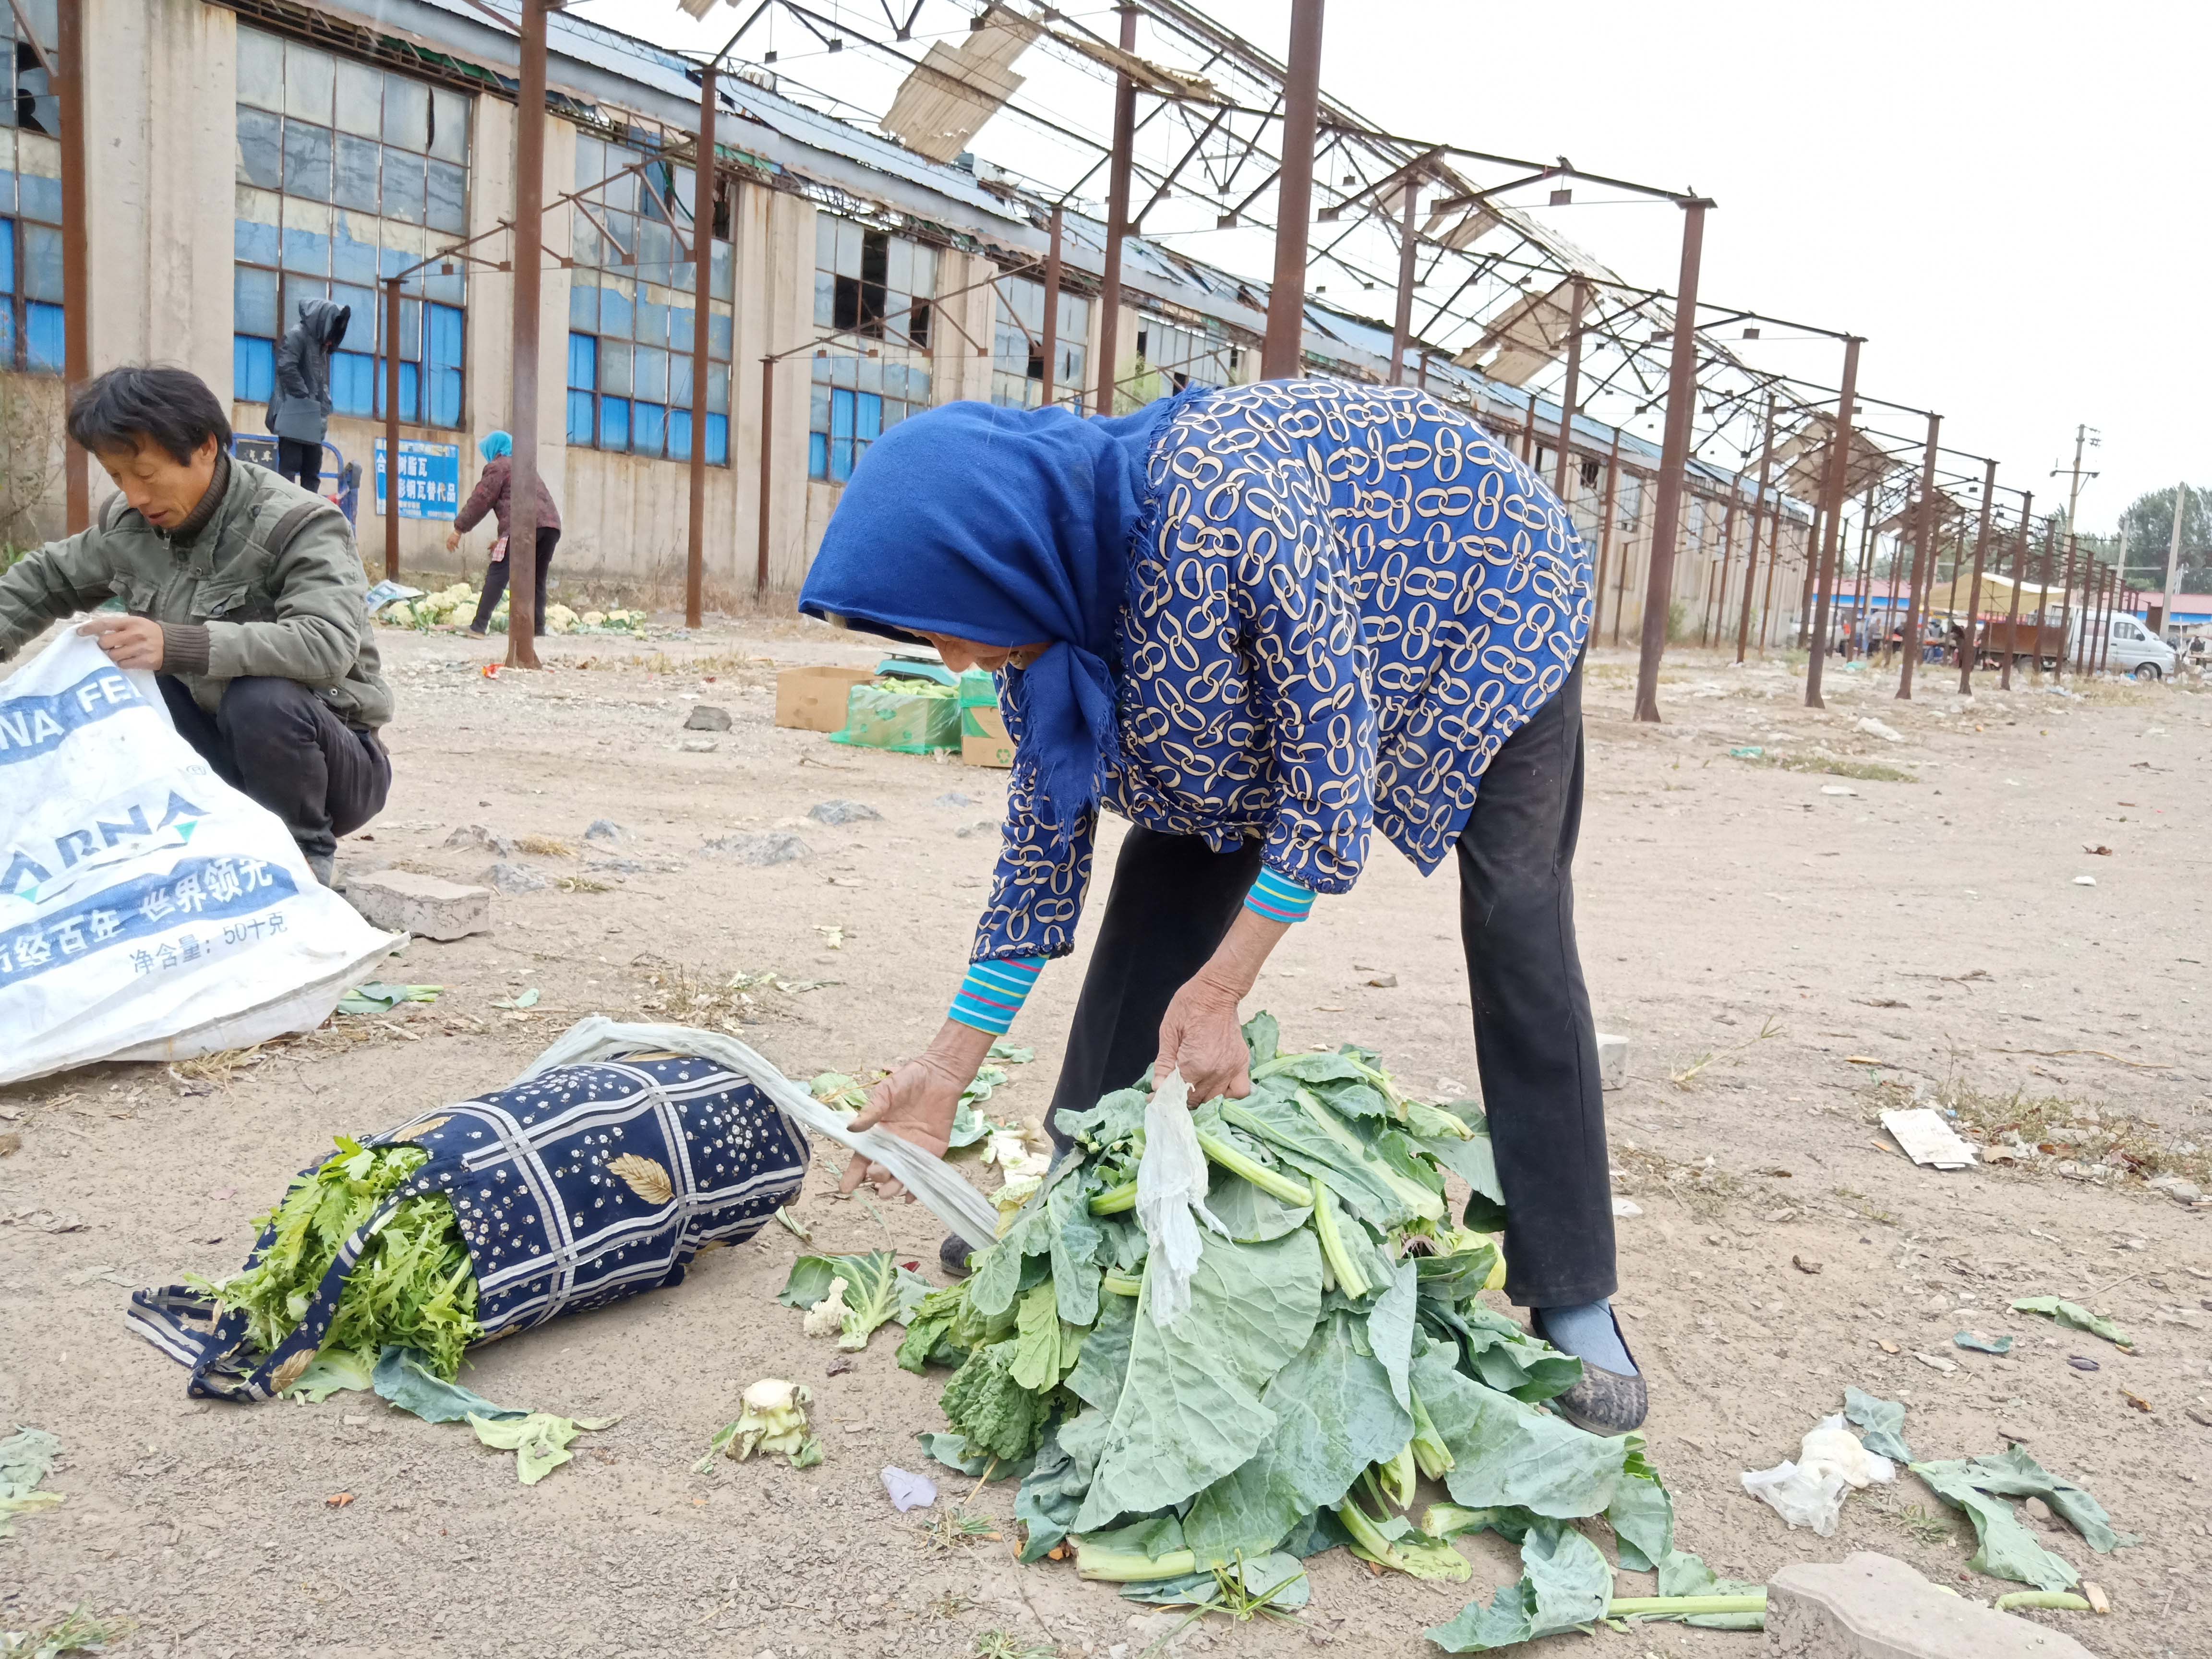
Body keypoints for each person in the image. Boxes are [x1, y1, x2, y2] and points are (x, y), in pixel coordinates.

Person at [797, 380, 1643, 1434]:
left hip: (1485, 593)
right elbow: (1037, 861)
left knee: (1517, 917)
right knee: (1173, 851)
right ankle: (1077, 1184)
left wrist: (1224, 987)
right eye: (935, 642)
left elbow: (1329, 779)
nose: (961, 661)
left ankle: (1573, 1290)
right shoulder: (1046, 604)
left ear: (996, 553)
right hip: (1321, 641)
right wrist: (941, 1075)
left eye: (955, 631)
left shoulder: (1228, 509)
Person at [0, 365, 391, 884]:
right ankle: (183, 839)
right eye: (118, 477)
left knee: (259, 697)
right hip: (217, 759)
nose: (135, 496)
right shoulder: (130, 527)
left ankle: (303, 859)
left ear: (206, 447)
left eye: (145, 474)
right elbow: (45, 580)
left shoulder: (299, 523)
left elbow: (325, 646)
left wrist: (179, 644)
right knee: (117, 669)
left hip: (329, 762)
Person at [446, 432, 562, 638]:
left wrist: (459, 529)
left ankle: (479, 626)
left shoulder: (499, 467)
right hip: (551, 527)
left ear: (495, 449)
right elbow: (525, 506)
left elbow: (481, 500)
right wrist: (504, 539)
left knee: (499, 572)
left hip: (524, 527)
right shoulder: (525, 468)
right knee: (537, 579)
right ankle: (537, 630)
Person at [266, 297, 349, 493]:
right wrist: (305, 397)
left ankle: (309, 513)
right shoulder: (297, 336)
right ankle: (288, 509)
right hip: (295, 410)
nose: (331, 343)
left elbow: (320, 381)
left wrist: (323, 404)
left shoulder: (319, 345)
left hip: (311, 415)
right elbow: (286, 367)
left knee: (312, 469)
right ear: (324, 324)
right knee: (290, 468)